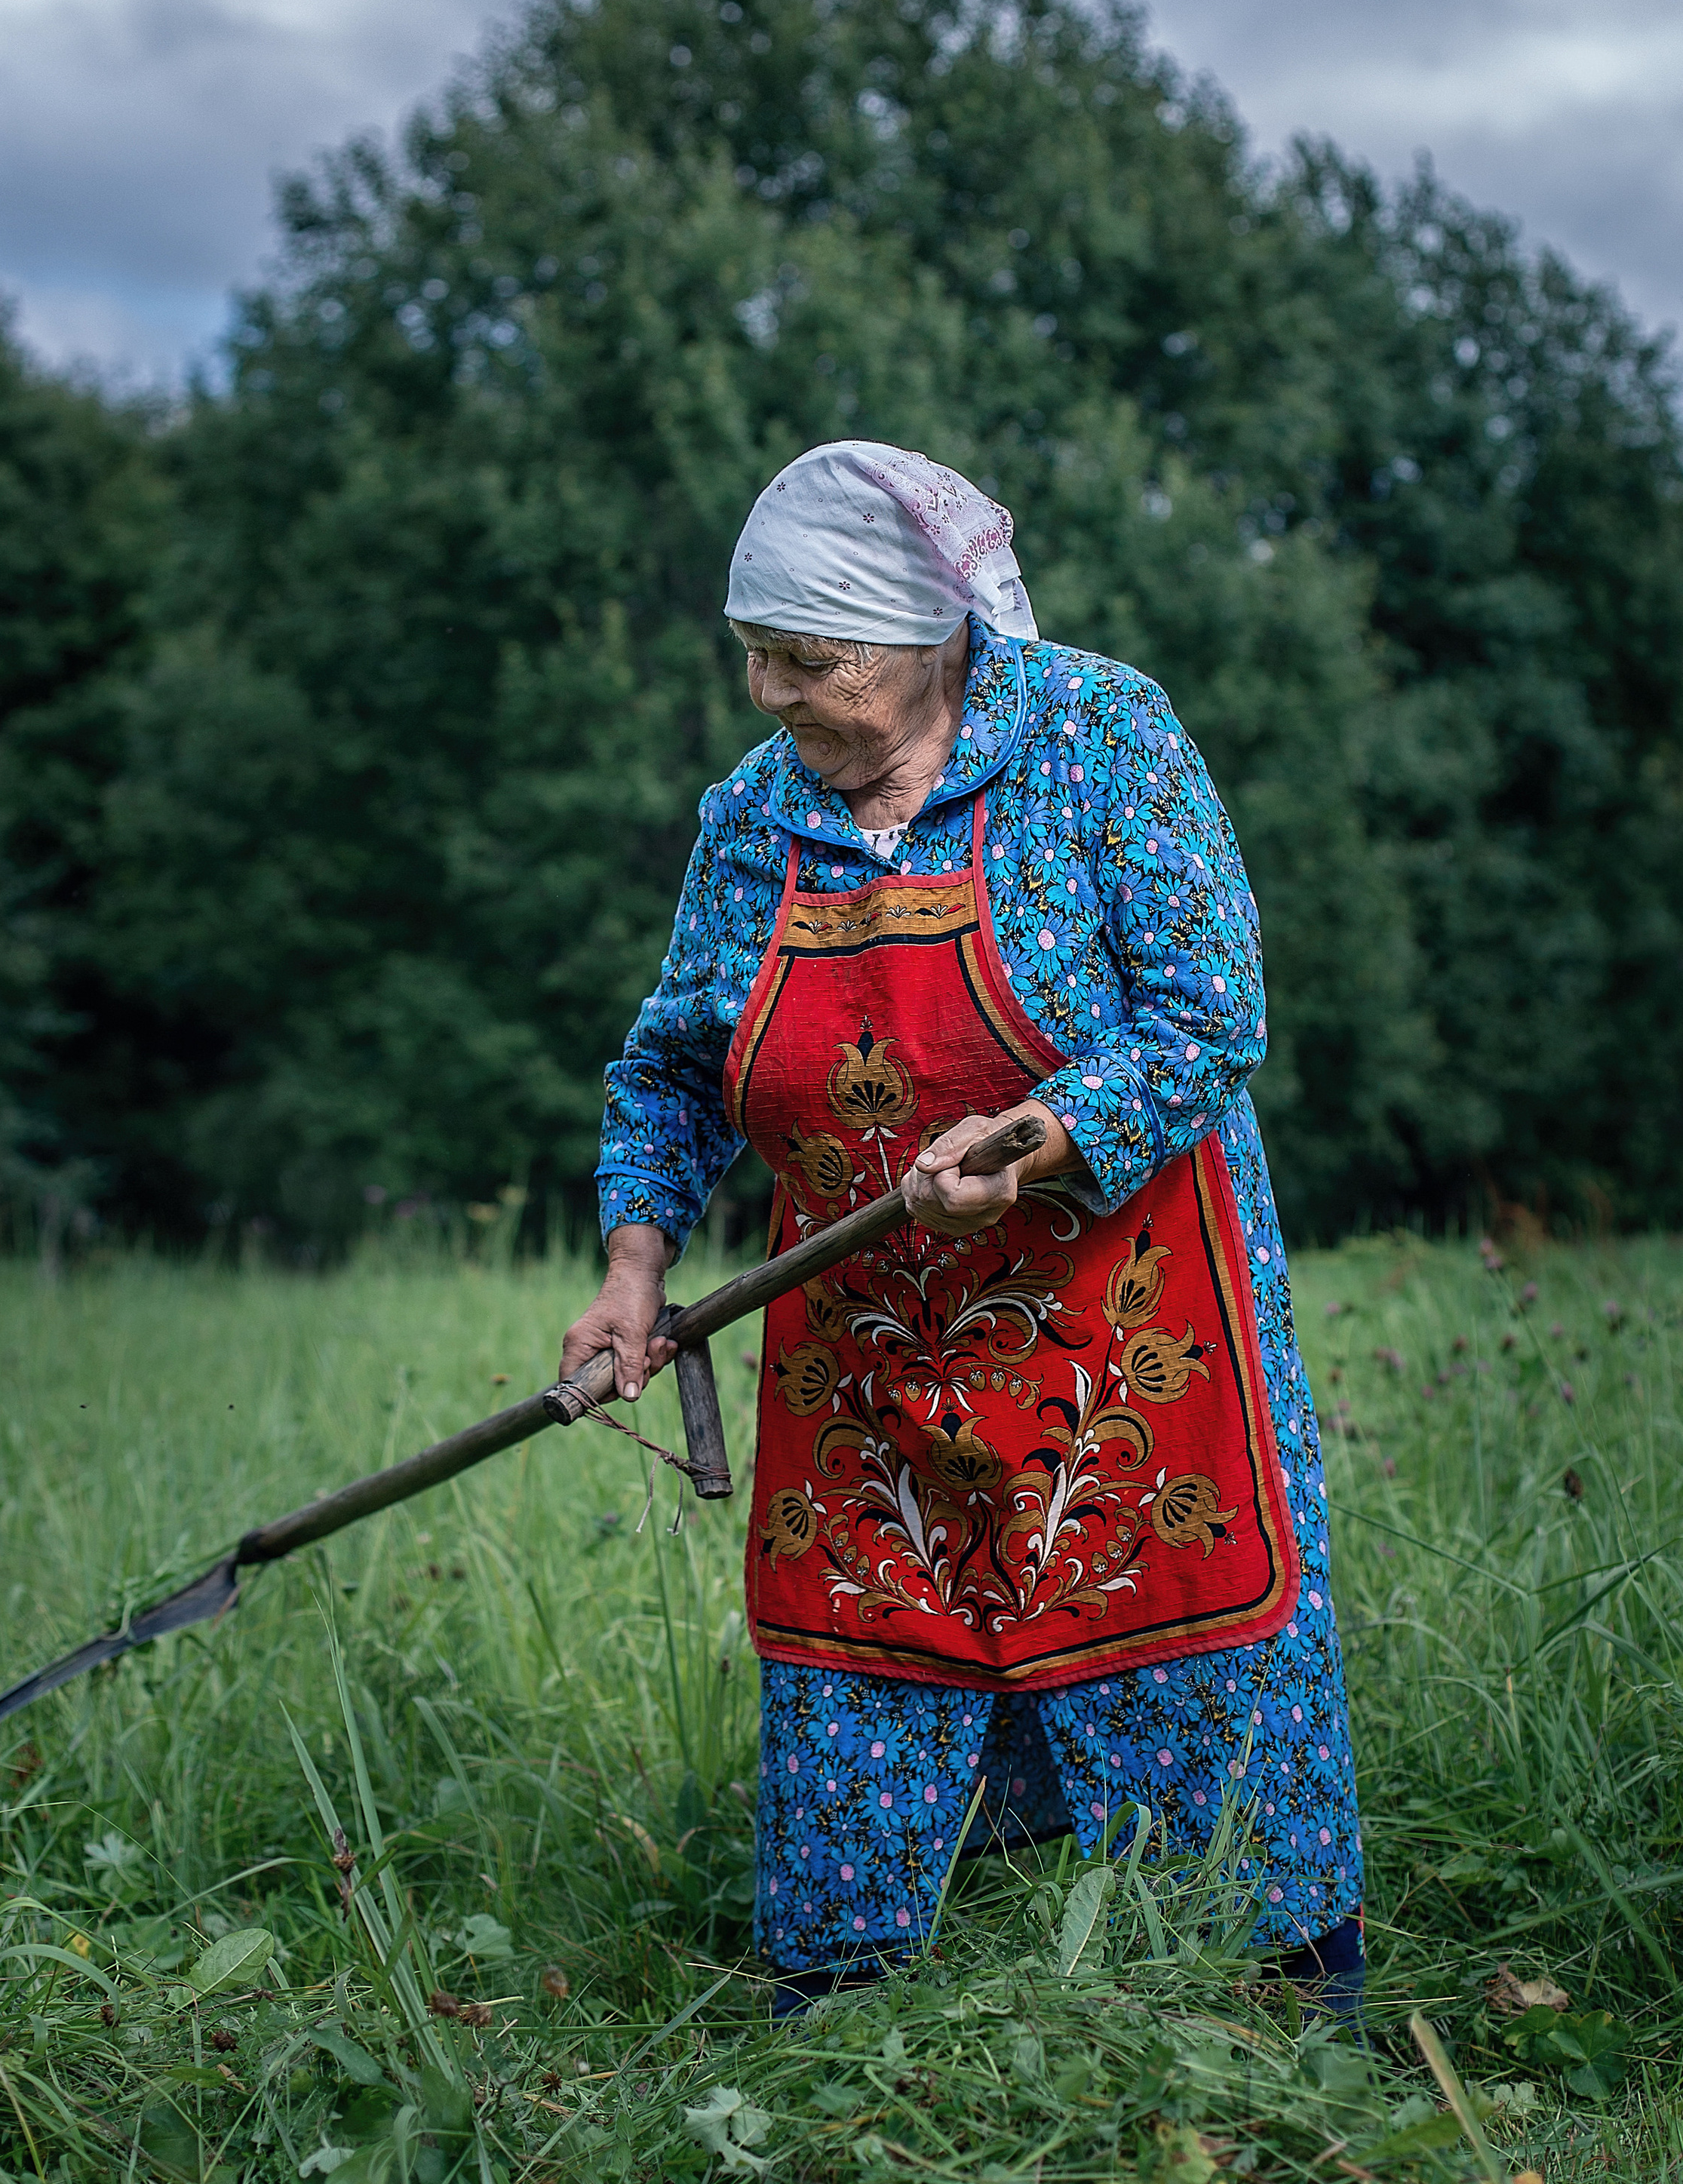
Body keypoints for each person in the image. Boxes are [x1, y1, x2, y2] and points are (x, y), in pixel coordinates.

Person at [560, 441, 1362, 2015]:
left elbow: (1209, 1017)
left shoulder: (1097, 735)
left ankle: (1282, 2019)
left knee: (1185, 1655)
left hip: (1124, 1332)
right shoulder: (751, 819)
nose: (767, 692)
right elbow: (674, 1061)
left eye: (807, 659)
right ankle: (837, 2057)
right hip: (863, 1364)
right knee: (864, 1665)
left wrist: (1036, 1138)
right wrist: (632, 1264)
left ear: (925, 639)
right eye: (753, 652)